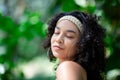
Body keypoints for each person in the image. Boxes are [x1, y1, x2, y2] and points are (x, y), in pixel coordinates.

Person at [43, 11, 106, 80]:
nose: (58, 39)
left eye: (69, 36)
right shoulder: (79, 70)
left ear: (83, 43)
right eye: (57, 32)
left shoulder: (67, 67)